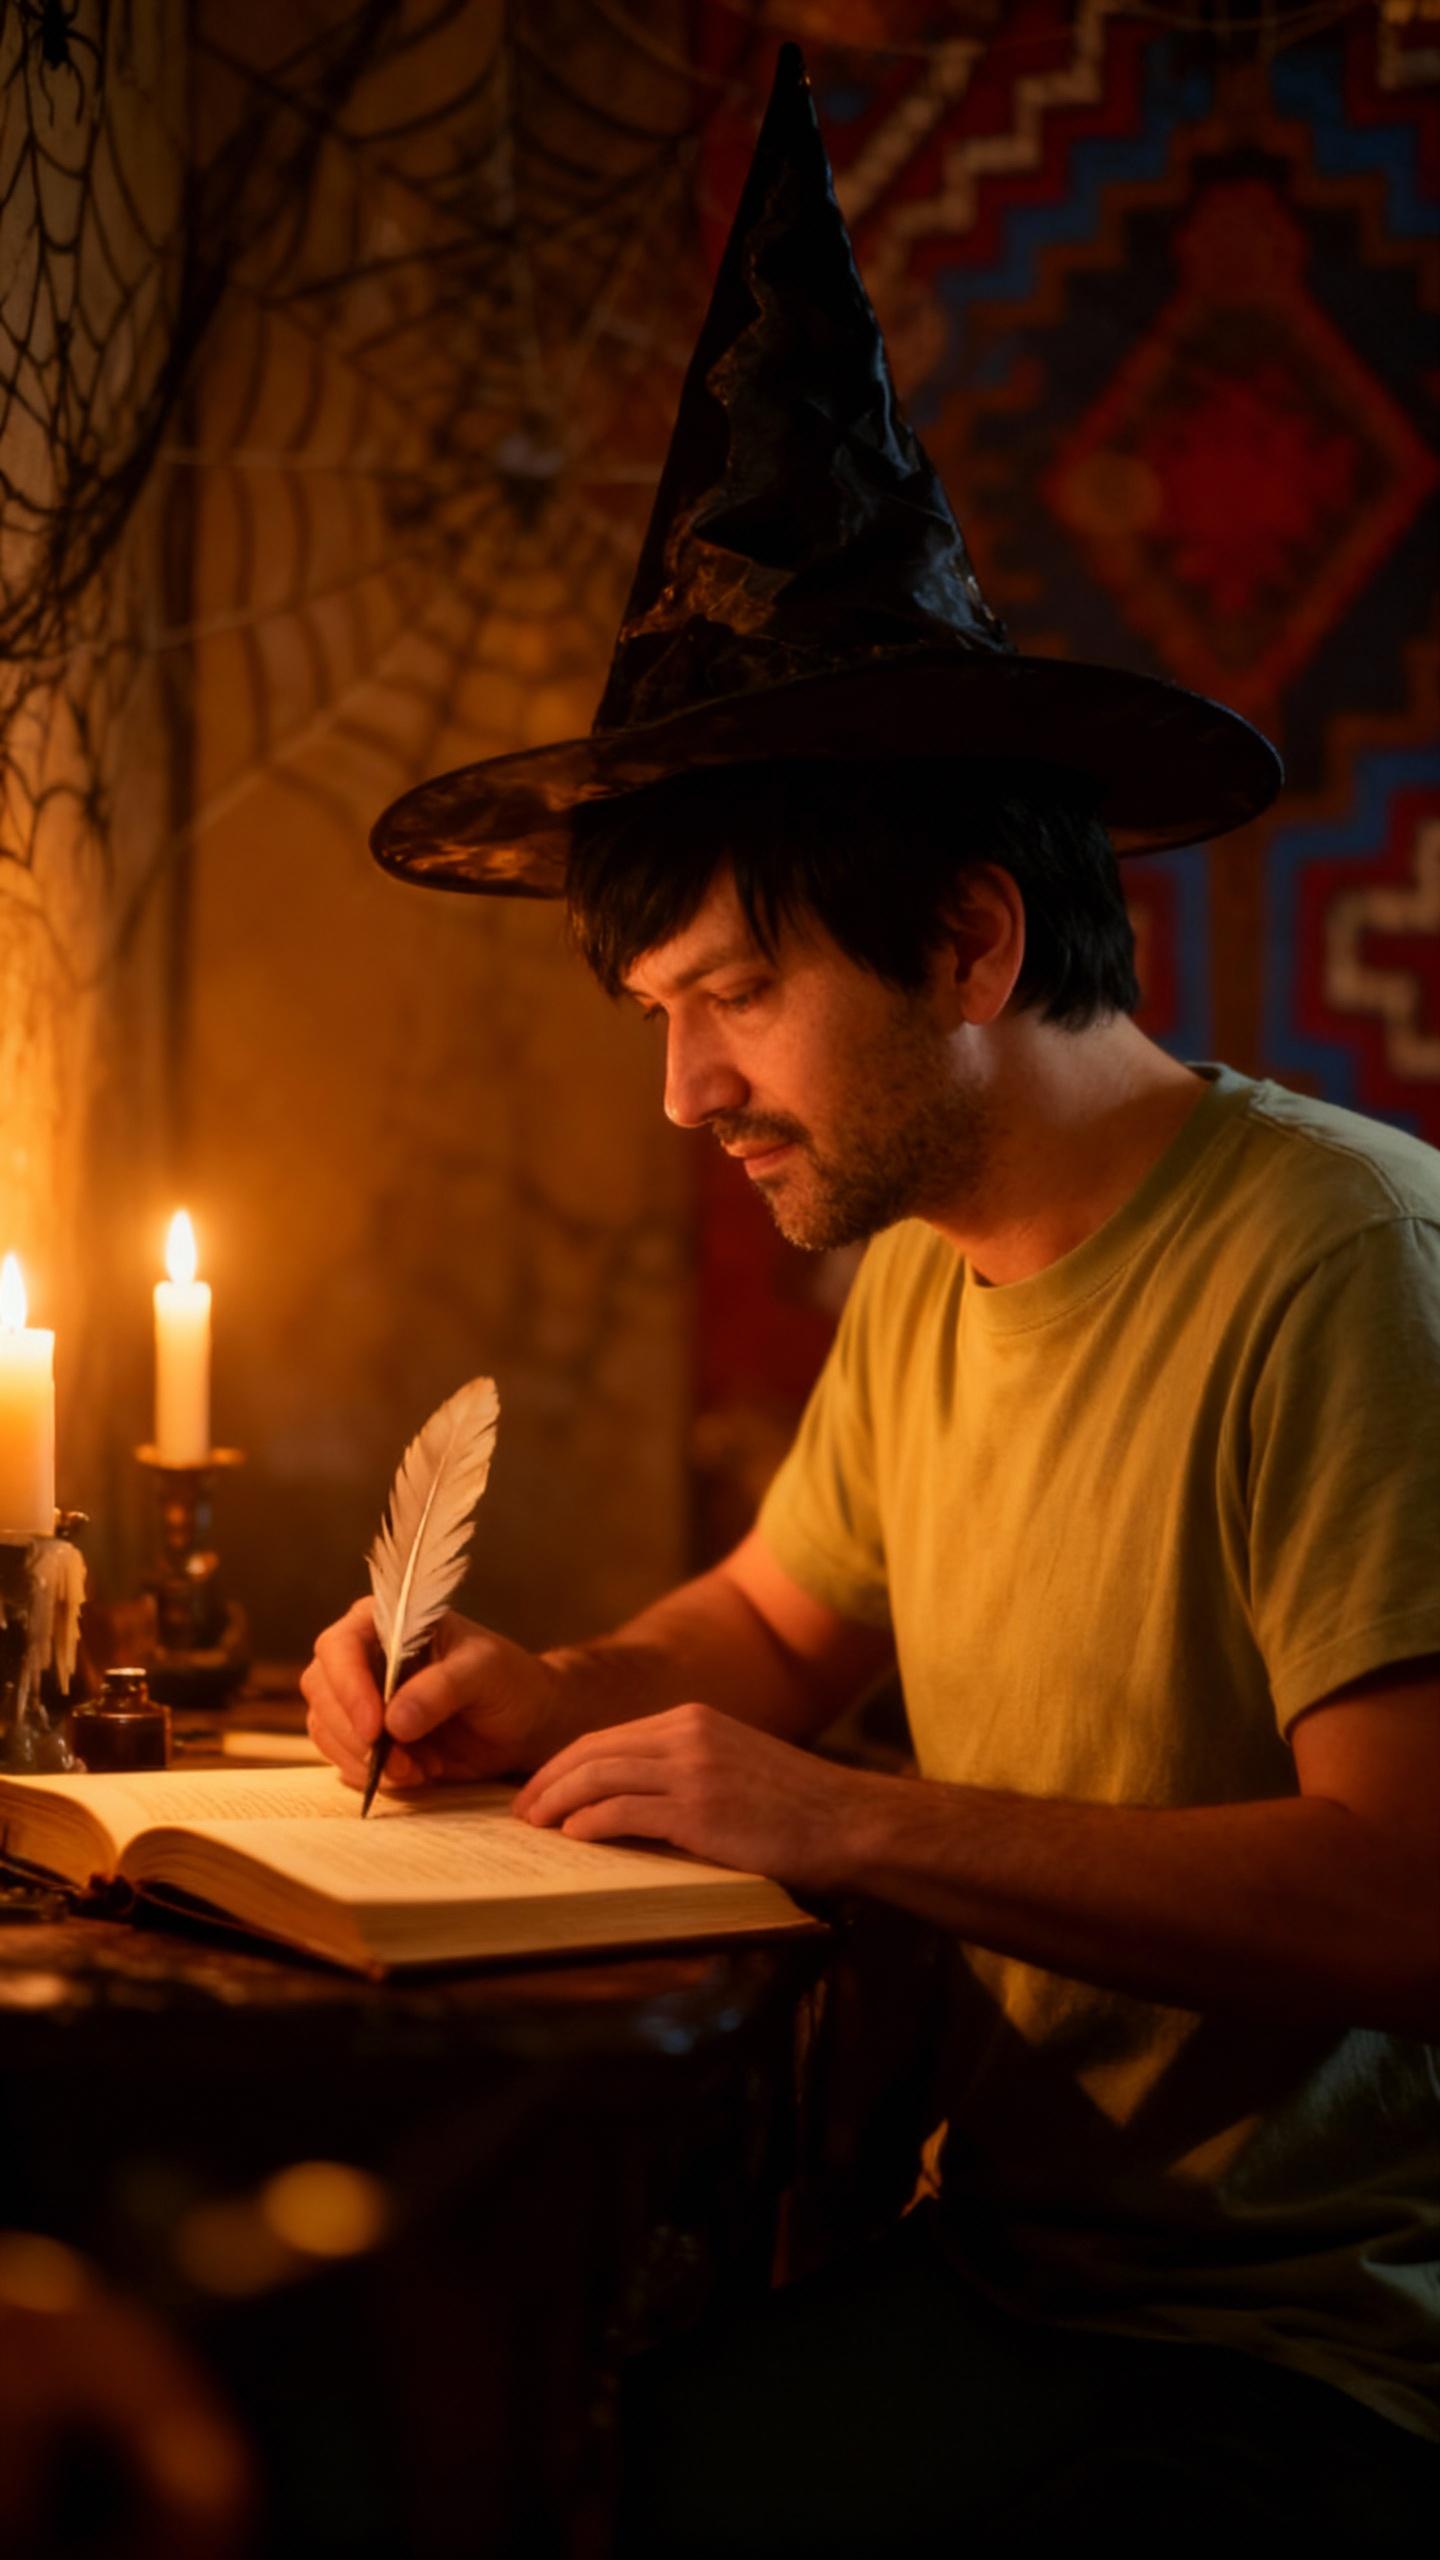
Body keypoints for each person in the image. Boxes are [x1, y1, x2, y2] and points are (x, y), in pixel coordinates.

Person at [306, 42, 1439, 2552]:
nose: (686, 1090)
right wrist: (556, 1687)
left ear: (965, 938)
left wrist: (847, 1821)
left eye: (732, 996)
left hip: (1320, 2353)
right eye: (656, 1019)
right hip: (1011, 2266)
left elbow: (1408, 1893)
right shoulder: (923, 1257)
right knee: (526, 2435)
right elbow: (773, 1623)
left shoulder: (1342, 1260)